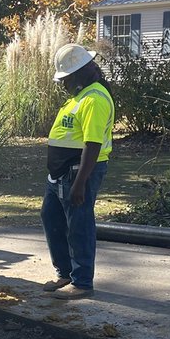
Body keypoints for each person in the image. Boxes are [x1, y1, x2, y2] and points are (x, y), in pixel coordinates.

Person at [41, 43, 114, 300]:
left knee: (79, 224)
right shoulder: (80, 97)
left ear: (80, 72)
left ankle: (82, 282)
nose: (63, 84)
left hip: (77, 172)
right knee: (52, 218)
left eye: (66, 78)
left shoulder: (94, 99)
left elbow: (92, 144)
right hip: (60, 173)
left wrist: (80, 182)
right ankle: (65, 273)